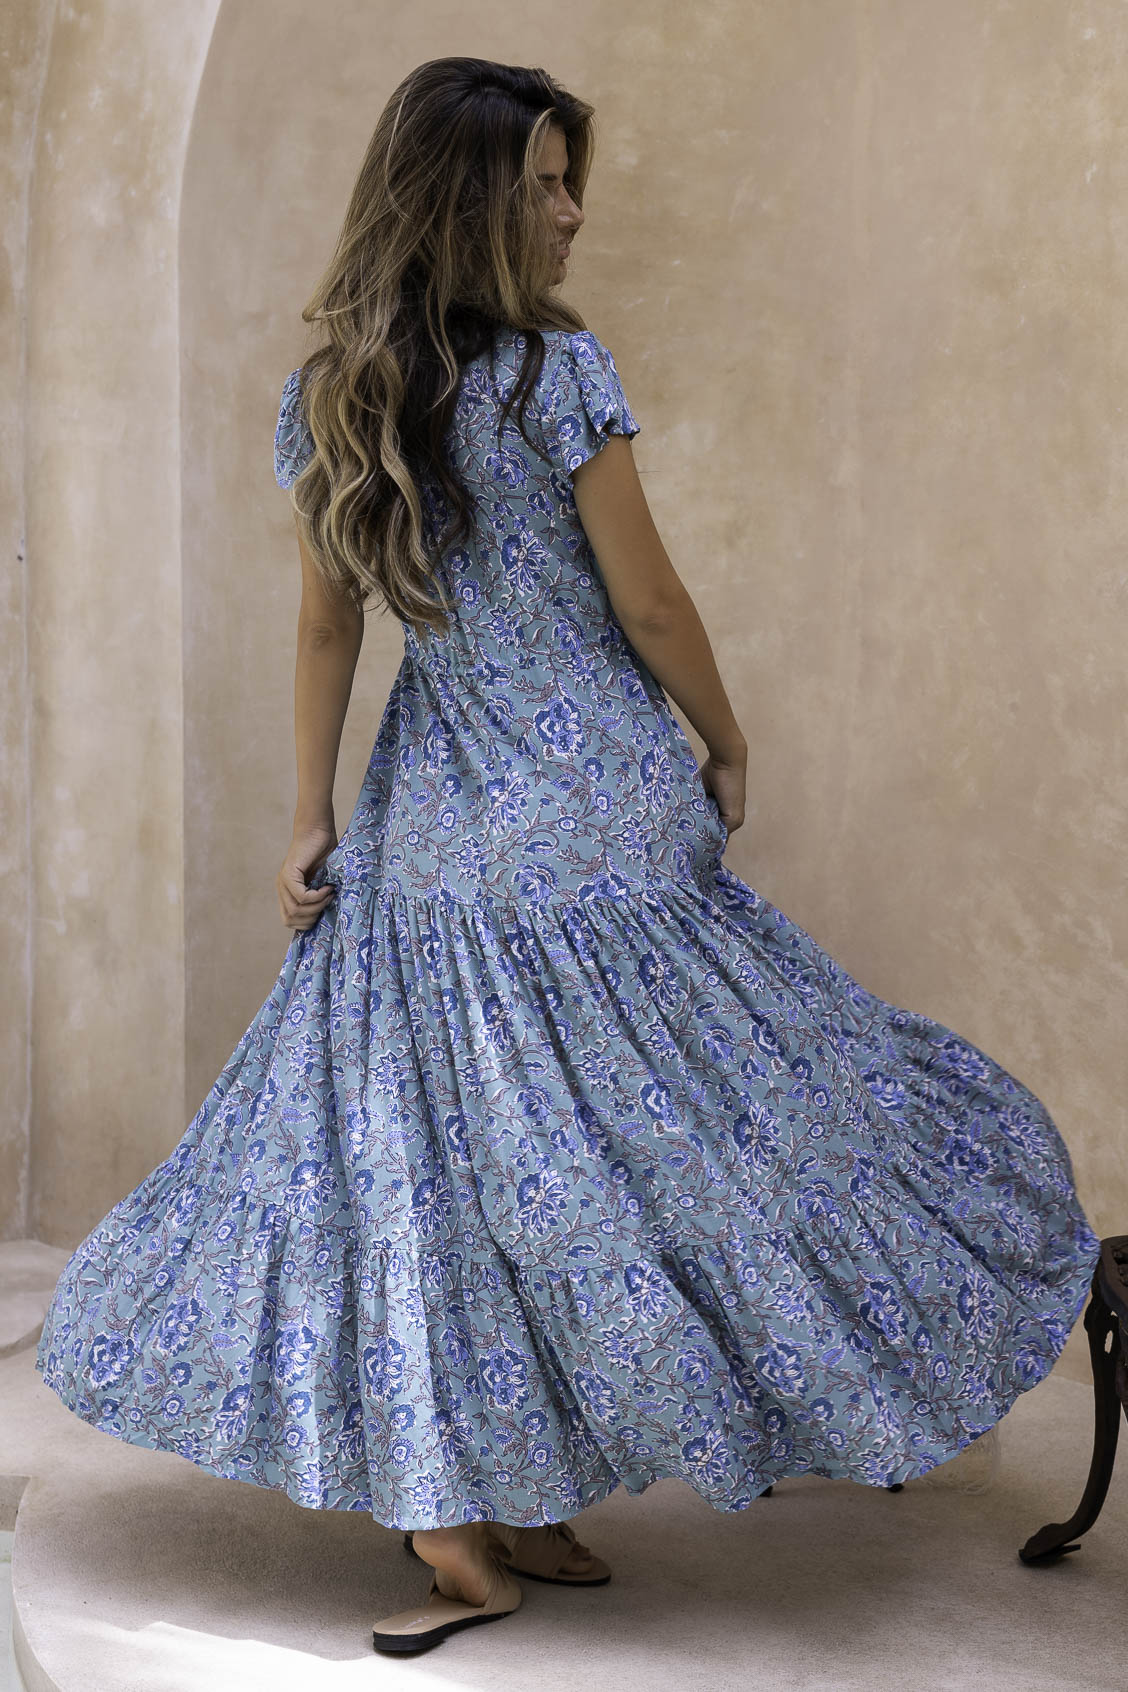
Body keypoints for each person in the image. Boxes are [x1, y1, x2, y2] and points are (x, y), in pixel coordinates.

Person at [37, 55, 1101, 1658]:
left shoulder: (337, 393)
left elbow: (331, 624)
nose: (569, 208)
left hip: (432, 830)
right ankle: (465, 1501)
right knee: (645, 1139)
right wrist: (728, 736)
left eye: (566, 178)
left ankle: (491, 1496)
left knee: (436, 1162)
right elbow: (651, 602)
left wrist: (311, 814)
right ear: (469, 200)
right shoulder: (558, 374)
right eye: (541, 181)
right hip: (593, 818)